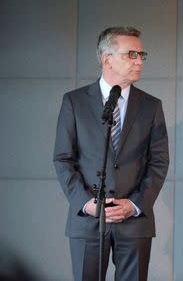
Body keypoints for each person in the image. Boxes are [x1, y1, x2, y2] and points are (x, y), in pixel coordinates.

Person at [53, 26, 169, 281]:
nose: (139, 61)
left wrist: (135, 204)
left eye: (141, 55)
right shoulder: (74, 102)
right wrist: (86, 203)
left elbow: (159, 162)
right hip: (88, 220)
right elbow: (63, 159)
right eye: (131, 55)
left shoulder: (151, 106)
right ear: (107, 59)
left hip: (135, 221)